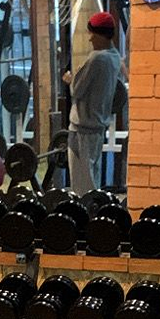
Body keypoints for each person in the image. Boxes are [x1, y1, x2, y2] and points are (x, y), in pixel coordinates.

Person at [62, 11, 122, 195]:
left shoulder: (97, 58)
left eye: (92, 35)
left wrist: (70, 79)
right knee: (91, 178)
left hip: (83, 130)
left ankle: (86, 212)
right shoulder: (115, 56)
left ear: (101, 35)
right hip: (97, 128)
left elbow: (77, 90)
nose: (90, 39)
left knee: (82, 185)